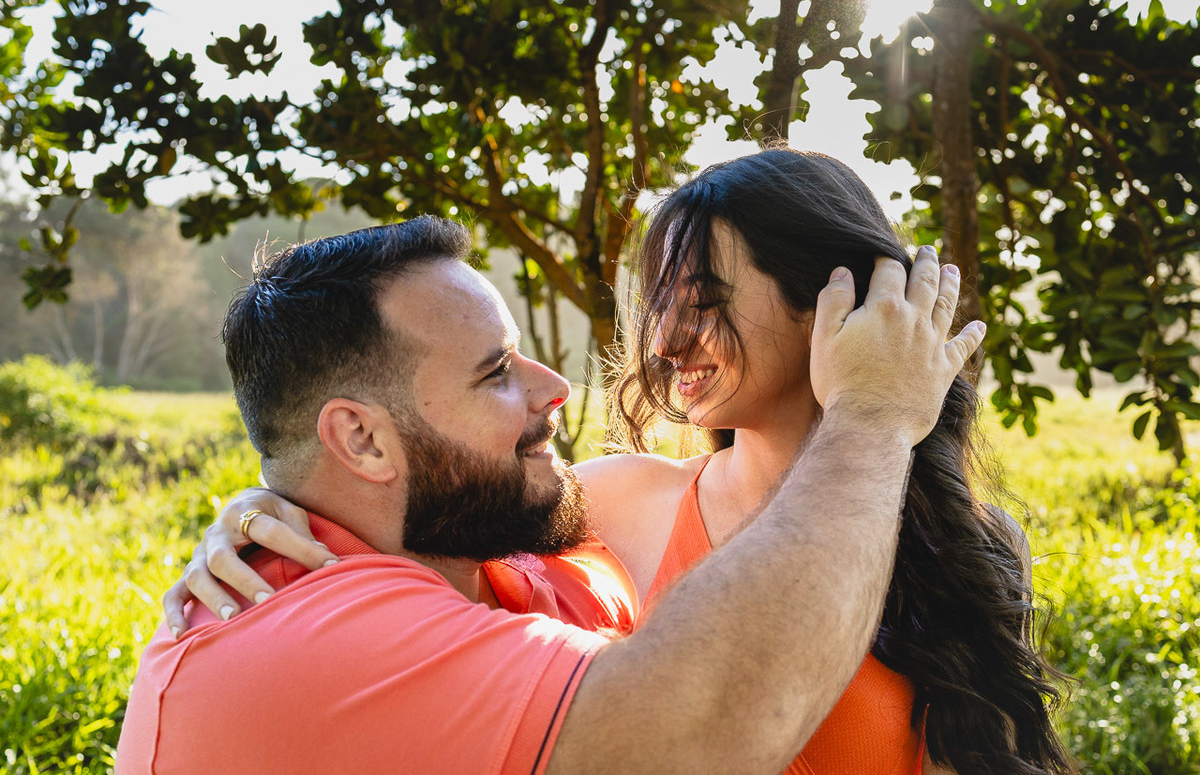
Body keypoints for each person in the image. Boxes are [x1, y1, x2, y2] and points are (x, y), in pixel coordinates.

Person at [119, 212, 981, 774]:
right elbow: (700, 732)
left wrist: (286, 501)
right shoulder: (307, 635)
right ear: (363, 440)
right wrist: (870, 418)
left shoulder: (511, 555)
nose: (554, 389)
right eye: (496, 372)